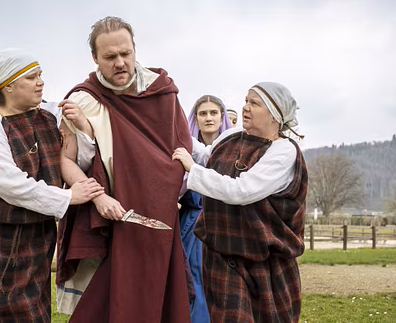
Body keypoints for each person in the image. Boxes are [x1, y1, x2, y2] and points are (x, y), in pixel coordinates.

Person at [0, 50, 105, 322]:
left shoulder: (48, 116)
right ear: (7, 85)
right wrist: (67, 197)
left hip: (33, 241)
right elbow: (9, 184)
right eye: (31, 77)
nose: (40, 82)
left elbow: (77, 160)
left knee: (33, 314)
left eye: (40, 75)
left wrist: (83, 128)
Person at [55, 16, 193, 322]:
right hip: (104, 216)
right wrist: (97, 196)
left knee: (156, 302)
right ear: (94, 58)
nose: (120, 63)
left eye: (125, 54)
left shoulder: (163, 94)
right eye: (109, 57)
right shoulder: (82, 100)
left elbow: (178, 152)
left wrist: (168, 192)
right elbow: (64, 160)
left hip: (154, 218)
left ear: (134, 49)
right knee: (101, 307)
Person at [172, 82, 308, 323]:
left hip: (265, 262)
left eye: (254, 103)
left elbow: (241, 190)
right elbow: (207, 155)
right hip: (223, 254)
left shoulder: (283, 152)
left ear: (275, 115)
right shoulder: (231, 135)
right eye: (246, 100)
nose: (245, 108)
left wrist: (192, 170)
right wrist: (174, 124)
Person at [179, 95, 232, 323]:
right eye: (203, 113)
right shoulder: (185, 147)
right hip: (192, 224)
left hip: (225, 222)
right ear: (196, 118)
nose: (208, 118)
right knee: (194, 277)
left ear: (222, 118)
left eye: (213, 113)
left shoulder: (232, 147)